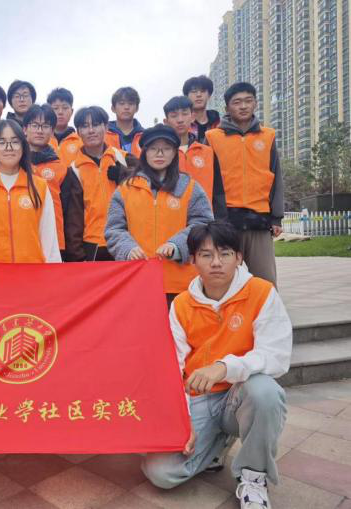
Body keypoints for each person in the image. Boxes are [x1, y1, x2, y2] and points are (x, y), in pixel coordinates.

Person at [142, 221, 292, 509]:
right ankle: (215, 445)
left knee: (266, 392)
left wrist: (224, 367)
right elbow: (172, 366)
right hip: (200, 399)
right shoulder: (182, 304)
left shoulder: (261, 292)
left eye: (225, 254)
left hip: (240, 394)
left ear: (239, 257)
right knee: (160, 472)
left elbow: (276, 355)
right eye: (206, 255)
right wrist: (182, 419)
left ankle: (253, 477)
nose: (216, 263)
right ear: (193, 260)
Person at [106, 124, 213, 304]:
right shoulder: (126, 189)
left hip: (181, 285)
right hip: (138, 280)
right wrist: (127, 249)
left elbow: (204, 224)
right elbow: (114, 229)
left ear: (175, 153)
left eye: (166, 149)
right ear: (144, 152)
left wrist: (177, 245)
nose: (160, 154)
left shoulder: (190, 187)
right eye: (154, 148)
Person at [205, 82, 284, 285]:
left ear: (255, 104)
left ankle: (267, 308)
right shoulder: (212, 138)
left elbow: (276, 177)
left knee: (266, 281)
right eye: (237, 102)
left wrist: (276, 217)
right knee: (224, 281)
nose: (243, 106)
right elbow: (206, 180)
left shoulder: (268, 136)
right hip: (225, 220)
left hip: (259, 220)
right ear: (227, 107)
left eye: (248, 101)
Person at [0, 119, 60, 263]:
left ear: (23, 146)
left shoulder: (39, 187)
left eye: (15, 142)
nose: (9, 148)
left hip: (32, 271)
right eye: (2, 142)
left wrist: (52, 272)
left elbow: (50, 243)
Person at [60, 106, 128, 262]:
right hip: (93, 245)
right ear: (78, 132)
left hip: (126, 242)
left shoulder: (124, 159)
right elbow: (73, 219)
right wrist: (77, 256)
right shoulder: (74, 170)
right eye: (85, 126)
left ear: (106, 127)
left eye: (96, 124)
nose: (91, 130)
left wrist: (124, 175)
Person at [163, 96, 227, 219]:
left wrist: (221, 222)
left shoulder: (207, 152)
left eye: (185, 114)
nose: (180, 120)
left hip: (204, 220)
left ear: (192, 117)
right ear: (166, 122)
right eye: (174, 116)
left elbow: (218, 192)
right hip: (171, 220)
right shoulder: (161, 155)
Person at [23, 104, 68, 254]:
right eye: (35, 125)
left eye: (45, 126)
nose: (40, 130)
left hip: (54, 241)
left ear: (52, 131)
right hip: (20, 239)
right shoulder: (14, 164)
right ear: (25, 129)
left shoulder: (61, 167)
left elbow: (69, 211)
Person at [46, 87, 82, 167]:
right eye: (55, 108)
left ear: (72, 111)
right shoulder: (41, 139)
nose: (60, 112)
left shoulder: (81, 140)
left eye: (65, 108)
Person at [106, 86, 144, 156]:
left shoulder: (145, 136)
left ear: (137, 108)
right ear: (113, 108)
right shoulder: (103, 135)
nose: (126, 107)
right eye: (122, 103)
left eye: (131, 103)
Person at [183, 75, 220, 143]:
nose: (199, 95)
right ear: (186, 96)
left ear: (209, 95)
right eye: (194, 91)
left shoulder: (219, 125)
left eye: (203, 91)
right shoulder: (182, 125)